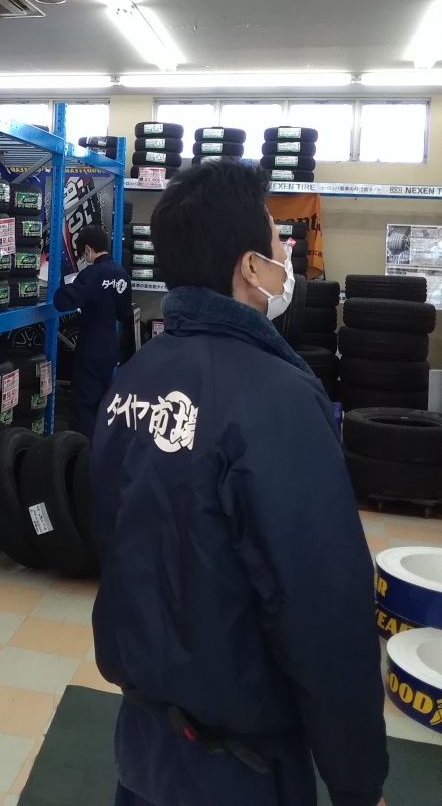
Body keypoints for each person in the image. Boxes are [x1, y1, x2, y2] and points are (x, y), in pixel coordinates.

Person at [91, 161, 387, 806]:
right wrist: (358, 778)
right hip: (239, 767)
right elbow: (321, 606)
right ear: (251, 268)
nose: (287, 258)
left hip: (143, 746)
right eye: (279, 243)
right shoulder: (277, 400)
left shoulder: (134, 377)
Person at [53, 225, 133, 439]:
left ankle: (83, 451)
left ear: (88, 249)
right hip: (111, 345)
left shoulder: (91, 274)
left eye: (83, 254)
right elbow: (124, 313)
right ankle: (102, 446)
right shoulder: (122, 275)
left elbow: (63, 302)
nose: (84, 258)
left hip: (91, 346)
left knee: (83, 404)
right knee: (103, 401)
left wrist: (57, 288)